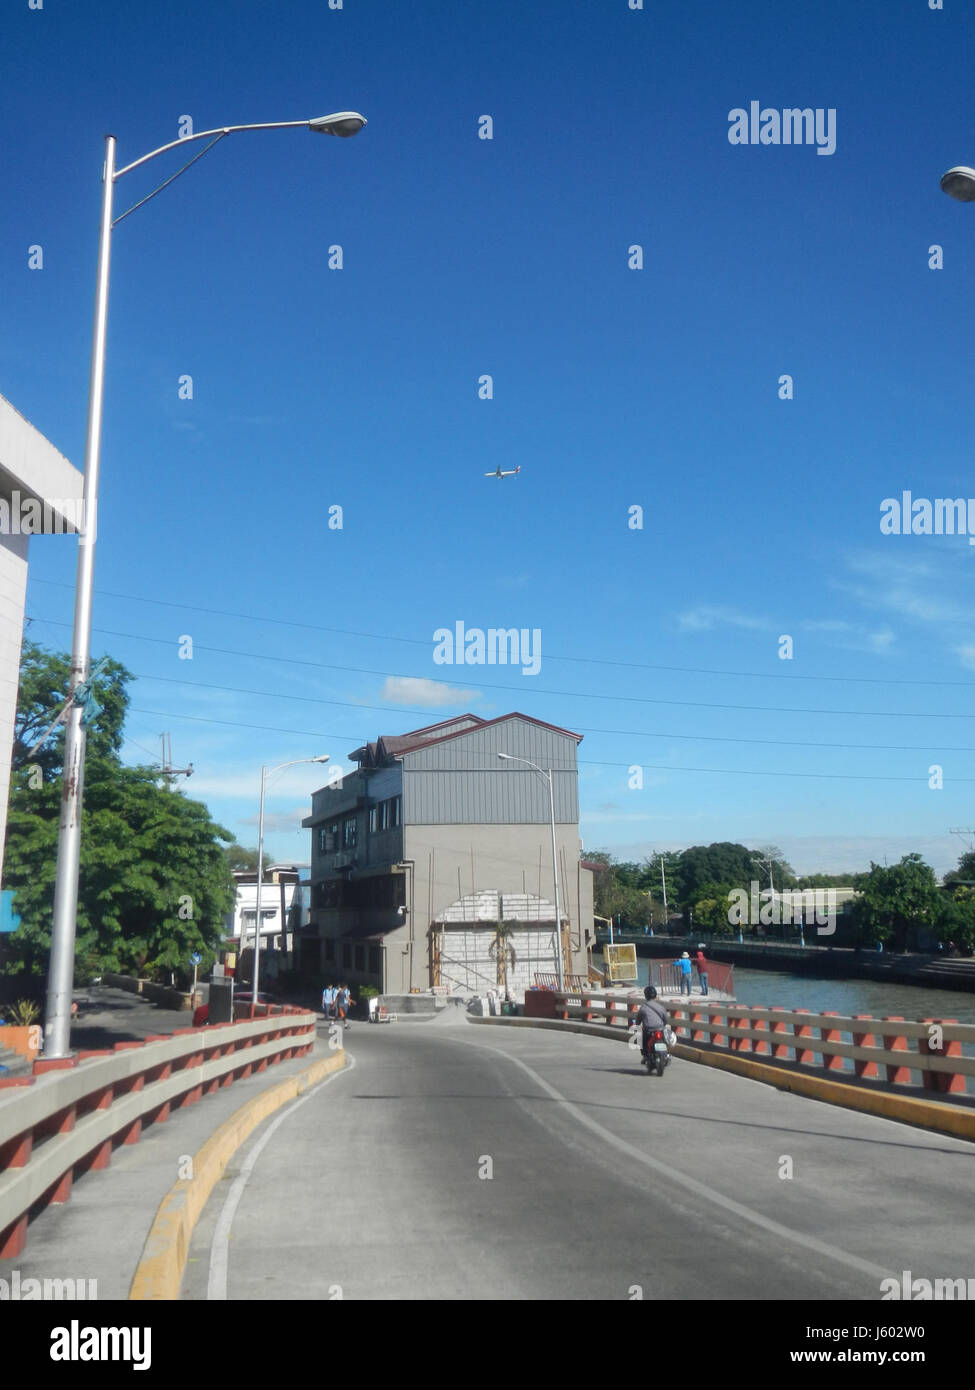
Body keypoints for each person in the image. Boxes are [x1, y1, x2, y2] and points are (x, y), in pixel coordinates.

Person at [634, 985, 669, 1062]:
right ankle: (667, 1054)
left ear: (646, 996)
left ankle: (645, 1055)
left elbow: (638, 1021)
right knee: (666, 1039)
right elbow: (666, 1019)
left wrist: (637, 1026)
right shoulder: (661, 1007)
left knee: (640, 1038)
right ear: (655, 995)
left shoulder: (643, 1007)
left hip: (648, 1030)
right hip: (660, 1029)